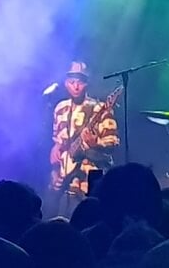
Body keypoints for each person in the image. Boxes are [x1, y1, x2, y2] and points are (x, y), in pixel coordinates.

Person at [48, 61, 119, 217]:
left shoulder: (100, 109)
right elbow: (58, 139)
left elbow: (112, 144)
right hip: (63, 181)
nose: (76, 87)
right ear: (66, 83)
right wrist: (55, 149)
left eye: (80, 82)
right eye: (72, 82)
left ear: (86, 84)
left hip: (89, 180)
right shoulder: (60, 108)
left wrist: (95, 143)